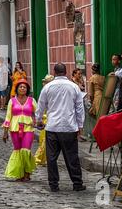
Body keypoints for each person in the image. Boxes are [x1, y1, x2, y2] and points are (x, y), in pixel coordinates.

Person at [35, 63, 86, 192]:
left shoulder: (48, 87)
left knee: (51, 157)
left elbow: (41, 106)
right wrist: (80, 125)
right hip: (69, 127)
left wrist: (39, 120)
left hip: (52, 127)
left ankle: (53, 184)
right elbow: (79, 108)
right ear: (66, 72)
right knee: (72, 156)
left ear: (54, 72)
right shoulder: (74, 87)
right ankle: (77, 183)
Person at [2, 79, 37, 181]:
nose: (22, 89)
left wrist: (37, 121)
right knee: (18, 150)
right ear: (17, 89)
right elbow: (8, 117)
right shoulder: (11, 101)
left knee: (25, 151)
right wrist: (5, 132)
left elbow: (38, 113)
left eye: (24, 87)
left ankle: (27, 172)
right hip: (14, 129)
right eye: (20, 87)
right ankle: (19, 173)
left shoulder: (31, 100)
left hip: (28, 128)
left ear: (27, 89)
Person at [34, 74, 55, 167]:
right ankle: (42, 158)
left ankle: (42, 158)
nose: (43, 83)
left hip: (49, 119)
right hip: (45, 119)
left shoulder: (48, 91)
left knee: (45, 141)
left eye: (45, 82)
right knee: (43, 140)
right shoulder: (45, 91)